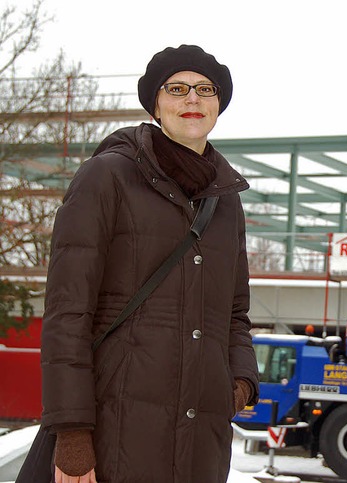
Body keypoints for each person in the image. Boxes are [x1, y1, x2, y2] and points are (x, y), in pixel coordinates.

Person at [40, 44, 259, 483]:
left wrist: (239, 382)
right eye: (176, 88)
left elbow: (234, 313)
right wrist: (72, 432)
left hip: (202, 435)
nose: (191, 99)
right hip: (117, 428)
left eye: (204, 89)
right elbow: (68, 312)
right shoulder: (106, 176)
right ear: (156, 104)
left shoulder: (226, 201)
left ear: (219, 104)